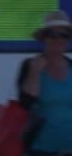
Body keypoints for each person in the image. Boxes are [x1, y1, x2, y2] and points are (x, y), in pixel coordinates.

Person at [17, 10, 72, 154]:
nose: (58, 39)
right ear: (43, 39)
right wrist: (35, 72)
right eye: (52, 35)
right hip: (39, 149)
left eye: (64, 35)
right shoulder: (30, 65)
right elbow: (26, 103)